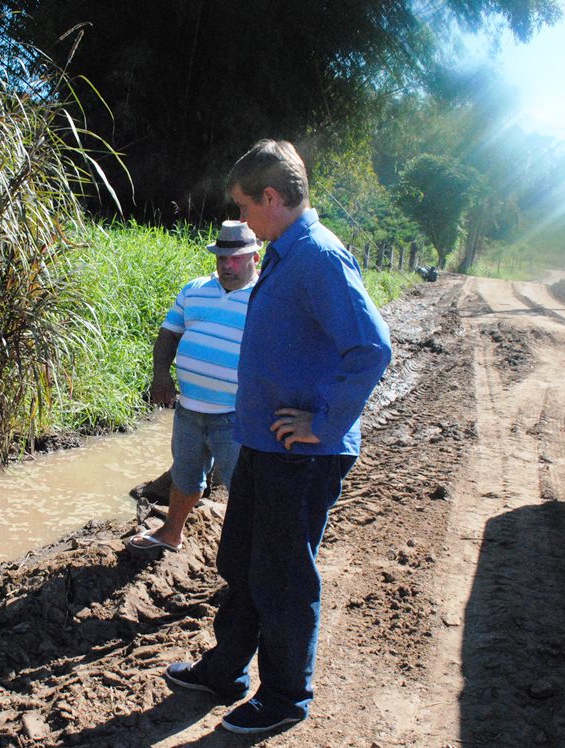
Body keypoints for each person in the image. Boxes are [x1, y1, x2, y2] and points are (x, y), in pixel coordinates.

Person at [163, 139, 392, 735]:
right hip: (265, 444)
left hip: (302, 454)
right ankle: (225, 671)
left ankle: (287, 696)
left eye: (244, 207)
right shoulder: (287, 254)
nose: (240, 222)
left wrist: (323, 423)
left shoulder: (319, 257)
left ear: (271, 197)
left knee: (283, 575)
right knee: (241, 560)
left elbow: (371, 349)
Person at [126, 220, 260, 552]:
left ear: (255, 257)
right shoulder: (194, 289)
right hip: (188, 411)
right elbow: (168, 334)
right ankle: (171, 534)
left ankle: (253, 556)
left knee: (245, 490)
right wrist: (161, 376)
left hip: (235, 417)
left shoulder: (264, 298)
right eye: (221, 258)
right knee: (185, 479)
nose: (227, 266)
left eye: (237, 258)